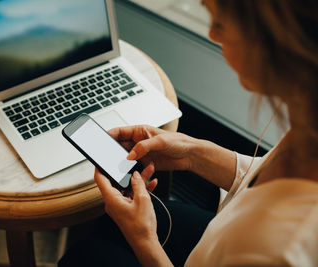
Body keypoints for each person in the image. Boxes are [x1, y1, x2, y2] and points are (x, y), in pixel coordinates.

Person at [59, 0, 318, 266]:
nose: (212, 35)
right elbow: (260, 177)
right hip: (225, 230)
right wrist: (191, 154)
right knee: (106, 229)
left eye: (219, 23)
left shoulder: (273, 251)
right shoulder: (310, 116)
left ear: (276, 41)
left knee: (80, 258)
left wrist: (143, 239)